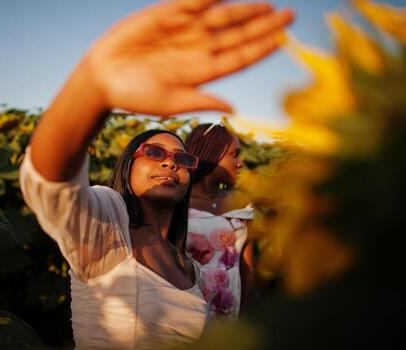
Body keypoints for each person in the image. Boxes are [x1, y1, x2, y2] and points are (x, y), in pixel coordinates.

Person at [19, 0, 294, 348]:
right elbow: (51, 183)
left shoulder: (188, 265)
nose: (171, 164)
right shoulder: (108, 227)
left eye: (183, 160)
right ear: (127, 165)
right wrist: (94, 85)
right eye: (154, 153)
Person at [185, 122, 255, 320]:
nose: (240, 163)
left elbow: (247, 268)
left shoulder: (241, 203)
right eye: (234, 154)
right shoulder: (176, 203)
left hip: (229, 309)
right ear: (211, 154)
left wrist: (245, 319)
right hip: (187, 310)